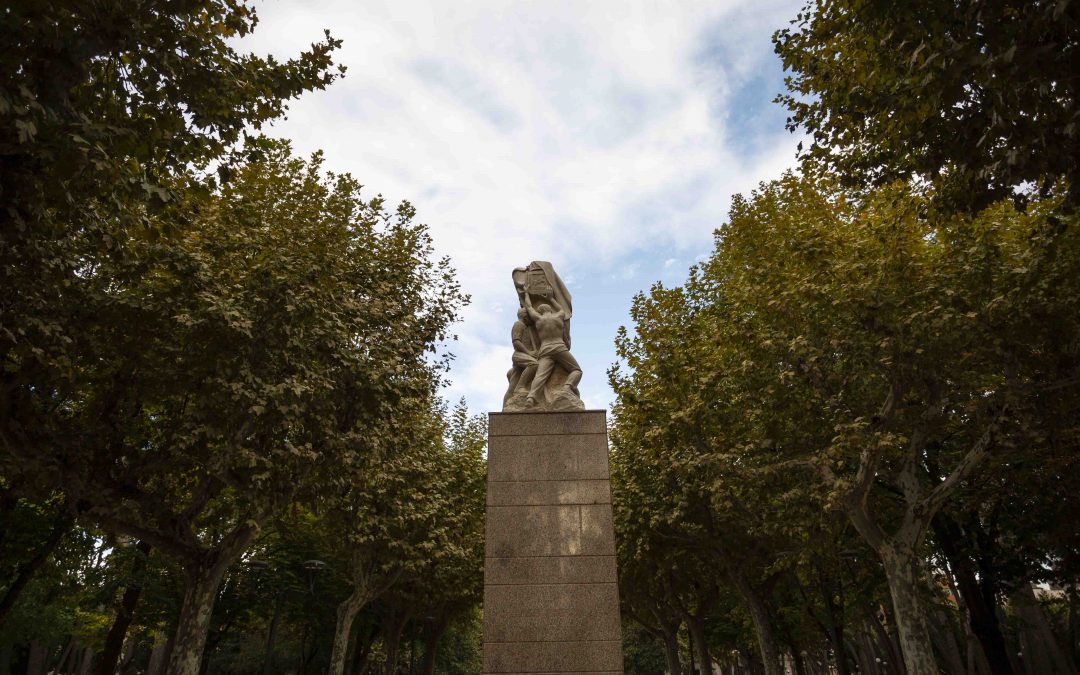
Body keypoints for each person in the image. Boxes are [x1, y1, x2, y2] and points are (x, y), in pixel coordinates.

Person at [523, 292, 582, 407]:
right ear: (550, 309)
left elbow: (529, 306)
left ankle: (531, 397)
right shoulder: (558, 315)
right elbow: (562, 310)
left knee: (540, 375)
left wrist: (526, 293)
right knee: (577, 370)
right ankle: (567, 387)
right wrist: (551, 298)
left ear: (540, 311)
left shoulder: (538, 318)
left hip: (545, 349)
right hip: (559, 347)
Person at [504, 307, 539, 404]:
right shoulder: (519, 324)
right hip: (519, 355)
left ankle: (505, 408)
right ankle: (520, 387)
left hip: (524, 354)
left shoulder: (526, 327)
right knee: (534, 364)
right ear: (524, 315)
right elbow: (516, 342)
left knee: (511, 387)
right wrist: (530, 353)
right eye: (528, 315)